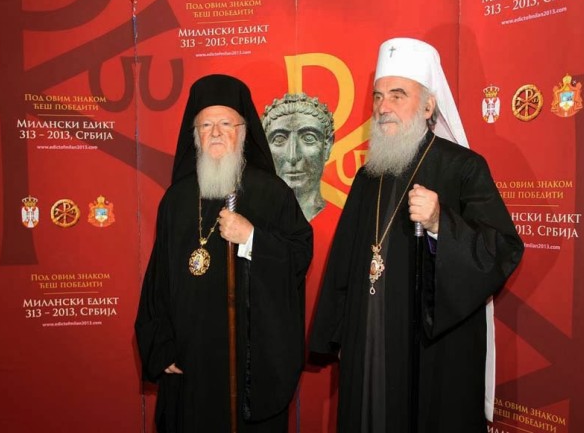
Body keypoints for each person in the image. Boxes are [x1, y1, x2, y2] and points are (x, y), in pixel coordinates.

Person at [308, 38, 524, 433]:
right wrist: (338, 333)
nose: (383, 107)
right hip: (369, 334)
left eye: (397, 95)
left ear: (428, 107)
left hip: (431, 346)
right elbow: (345, 257)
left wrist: (442, 224)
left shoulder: (464, 167)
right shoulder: (368, 175)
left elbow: (503, 248)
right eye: (378, 97)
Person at [135, 74, 313, 433]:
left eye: (226, 124)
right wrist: (160, 345)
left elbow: (297, 257)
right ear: (195, 135)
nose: (215, 133)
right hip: (189, 364)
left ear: (244, 132)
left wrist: (252, 238)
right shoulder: (176, 200)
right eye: (206, 125)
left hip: (249, 366)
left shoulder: (272, 193)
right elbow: (158, 280)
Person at [262, 93, 335, 221]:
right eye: (279, 139)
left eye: (309, 138)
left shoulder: (345, 219)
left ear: (327, 146)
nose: (293, 156)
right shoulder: (254, 218)